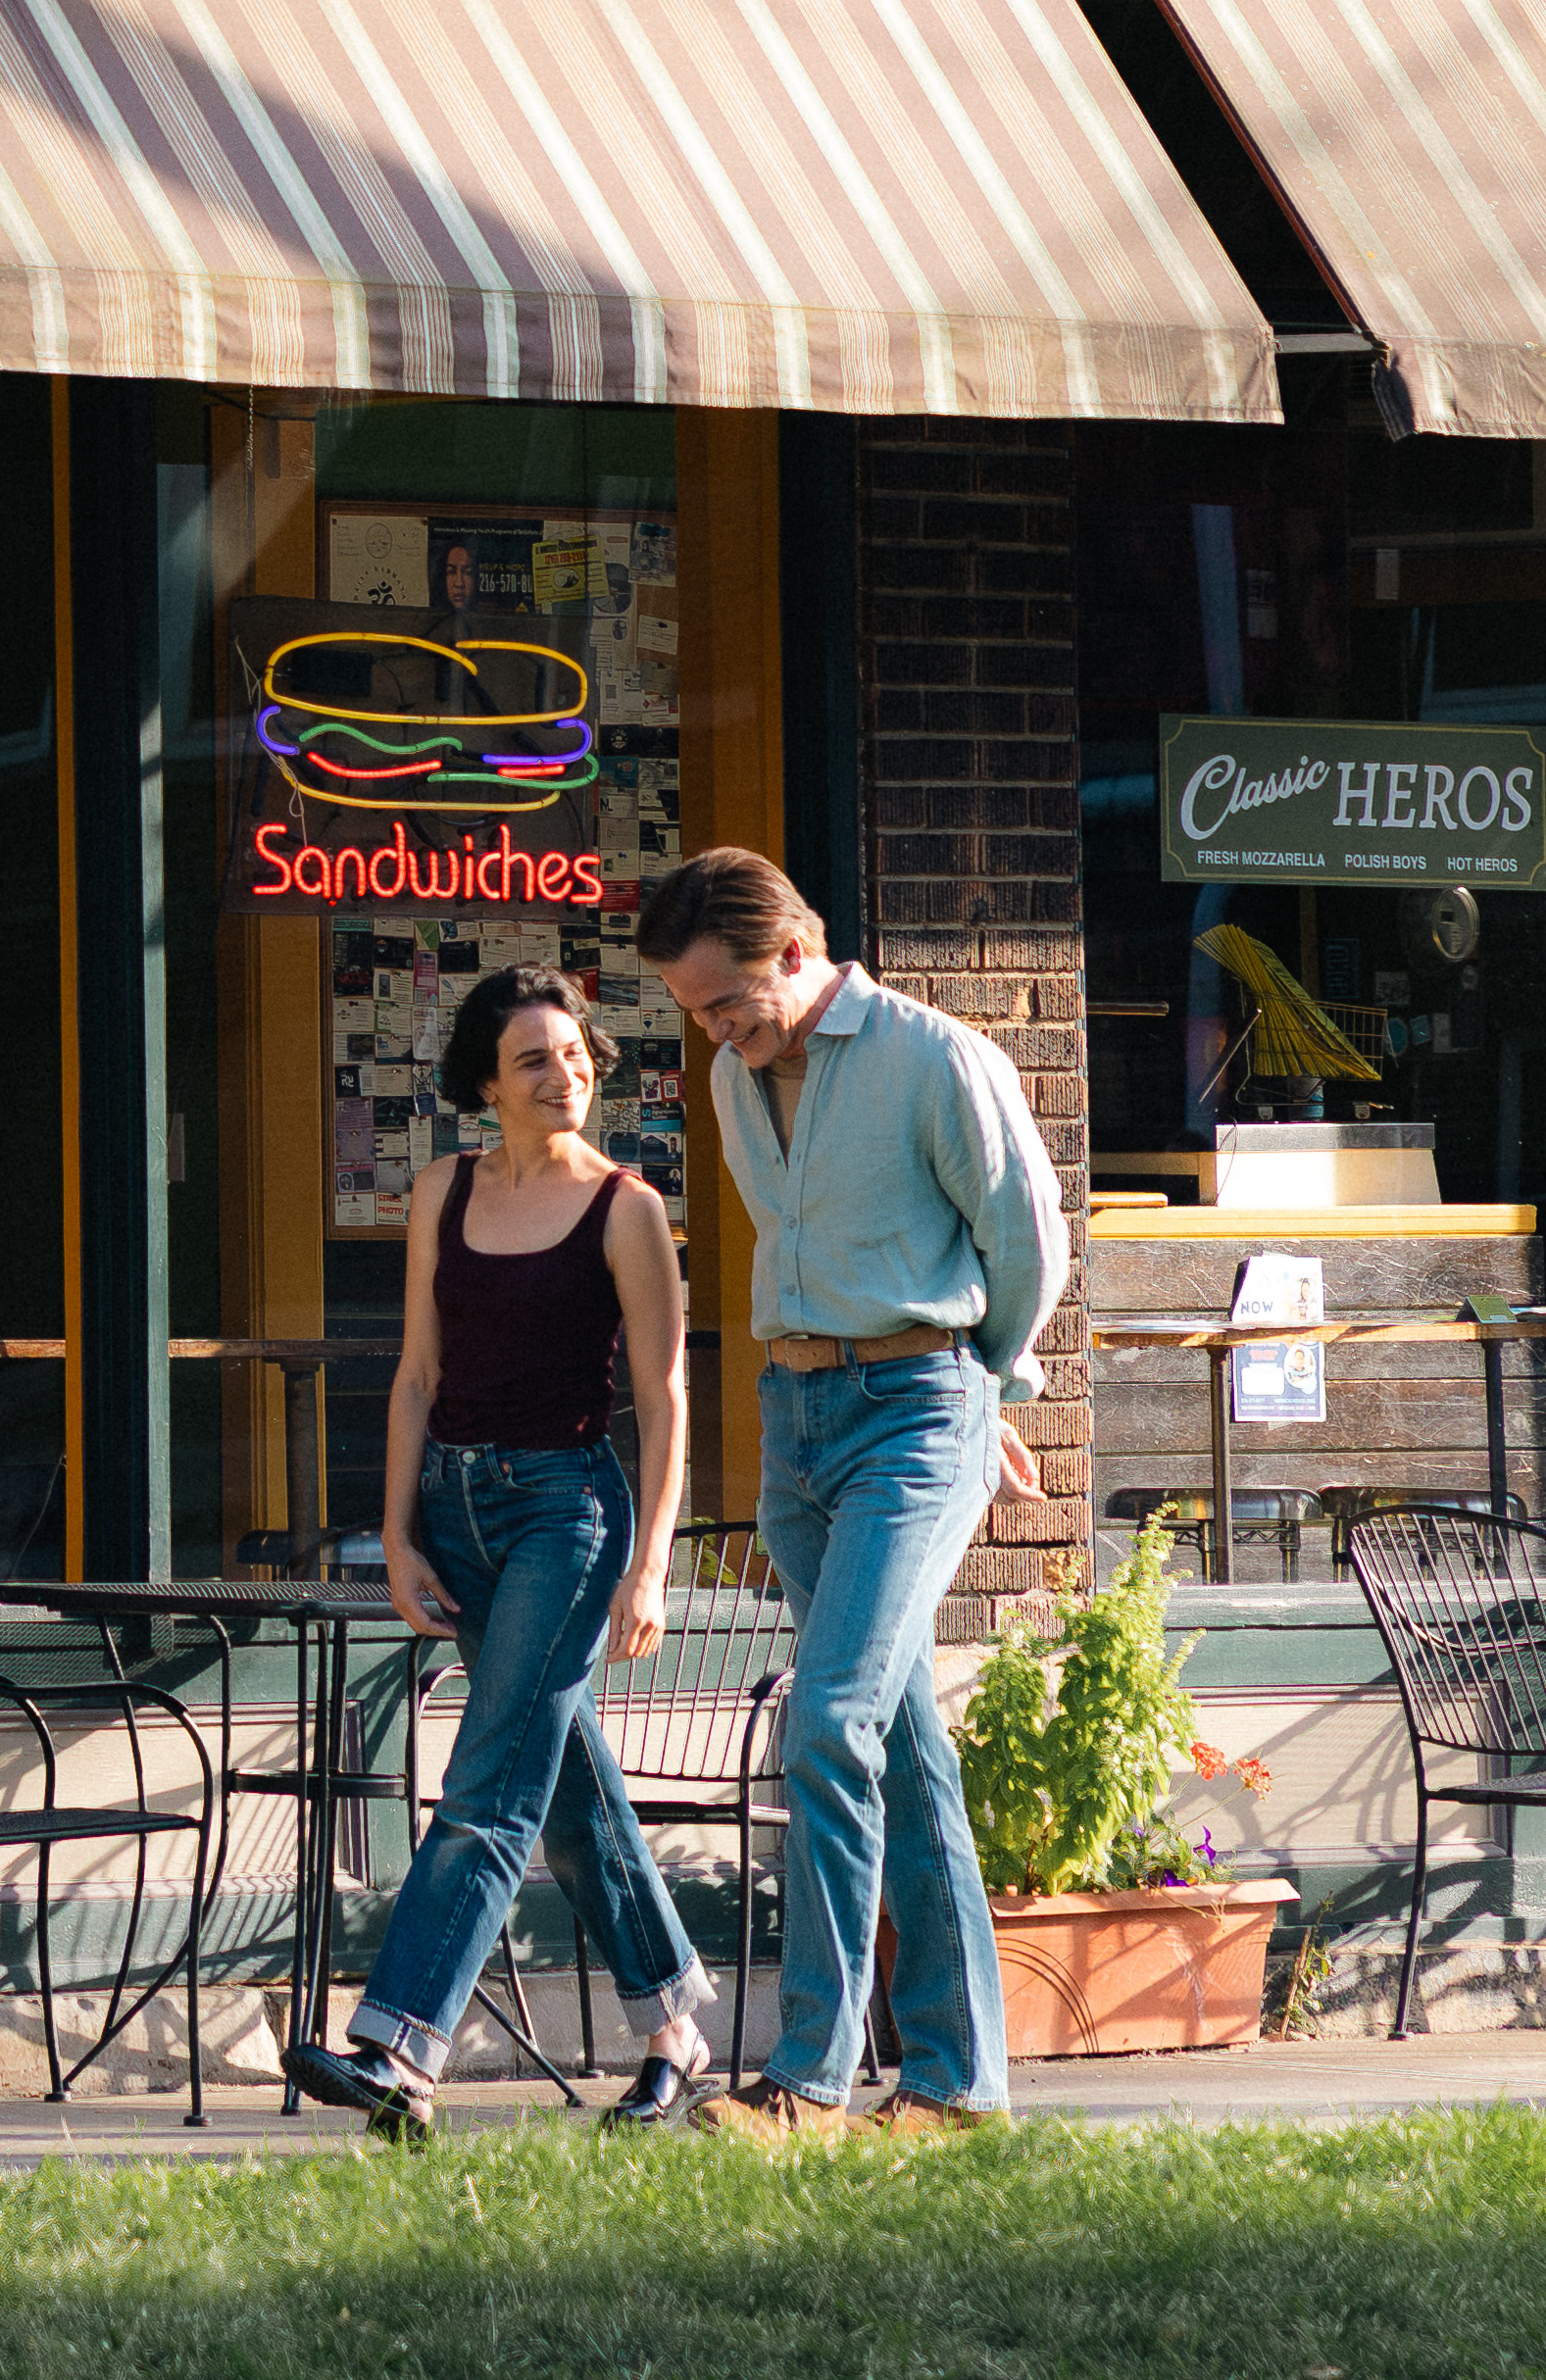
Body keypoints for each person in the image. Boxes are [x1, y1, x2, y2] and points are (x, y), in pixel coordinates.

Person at [632, 846, 1067, 2147]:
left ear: (790, 951)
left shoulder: (938, 1060)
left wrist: (980, 1394)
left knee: (823, 1720)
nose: (713, 1031)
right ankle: (956, 2088)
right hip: (799, 1421)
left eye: (725, 1000)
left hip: (917, 1411)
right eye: (698, 1011)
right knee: (897, 1743)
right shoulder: (729, 1076)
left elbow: (1026, 1237)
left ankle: (806, 2082)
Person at [283, 966, 718, 2143]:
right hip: (455, 1508)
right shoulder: (441, 1190)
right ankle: (677, 2025)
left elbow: (667, 1395)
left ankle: (400, 2053)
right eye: (535, 1059)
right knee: (563, 1788)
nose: (564, 1074)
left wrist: (651, 1570)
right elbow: (416, 1373)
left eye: (576, 1056)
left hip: (564, 1519)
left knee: (485, 1789)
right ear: (484, 1082)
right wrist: (393, 1529)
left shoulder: (625, 1207)